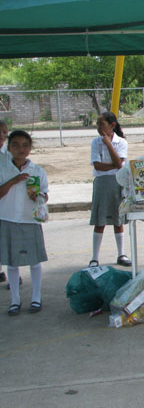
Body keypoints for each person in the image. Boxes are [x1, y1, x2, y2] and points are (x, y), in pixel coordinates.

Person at [0, 130, 48, 315]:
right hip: (8, 218)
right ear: (9, 147)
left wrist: (38, 196)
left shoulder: (37, 170)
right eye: (16, 145)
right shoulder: (4, 169)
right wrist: (13, 181)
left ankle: (36, 297)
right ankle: (15, 299)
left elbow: (45, 195)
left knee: (34, 261)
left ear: (30, 148)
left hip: (30, 219)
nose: (21, 149)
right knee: (12, 262)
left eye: (25, 145)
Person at [89, 111, 131, 267]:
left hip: (117, 182)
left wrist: (108, 144)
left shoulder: (121, 143)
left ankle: (121, 253)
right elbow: (97, 165)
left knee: (117, 219)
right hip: (101, 183)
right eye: (97, 124)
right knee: (100, 220)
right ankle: (94, 257)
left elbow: (119, 164)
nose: (99, 127)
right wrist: (113, 164)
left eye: (102, 124)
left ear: (112, 125)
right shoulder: (95, 142)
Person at [0, 120, 10, 284]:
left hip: (6, 201)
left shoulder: (9, 154)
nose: (3, 135)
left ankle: (12, 272)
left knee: (7, 238)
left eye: (5, 131)